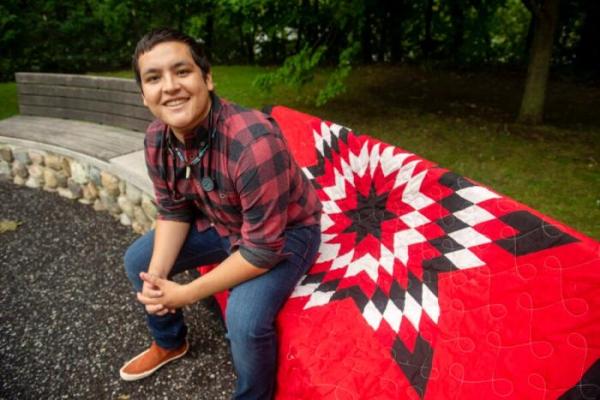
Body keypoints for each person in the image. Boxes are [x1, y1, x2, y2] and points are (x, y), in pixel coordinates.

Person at [119, 28, 322, 400]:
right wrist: (160, 277)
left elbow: (262, 250)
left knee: (244, 323)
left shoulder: (254, 142)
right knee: (139, 262)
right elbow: (173, 210)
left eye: (182, 72)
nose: (170, 87)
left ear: (207, 79)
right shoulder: (156, 138)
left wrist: (185, 293)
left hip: (288, 231)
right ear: (144, 96)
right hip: (223, 220)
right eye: (154, 78)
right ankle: (169, 342)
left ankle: (253, 396)